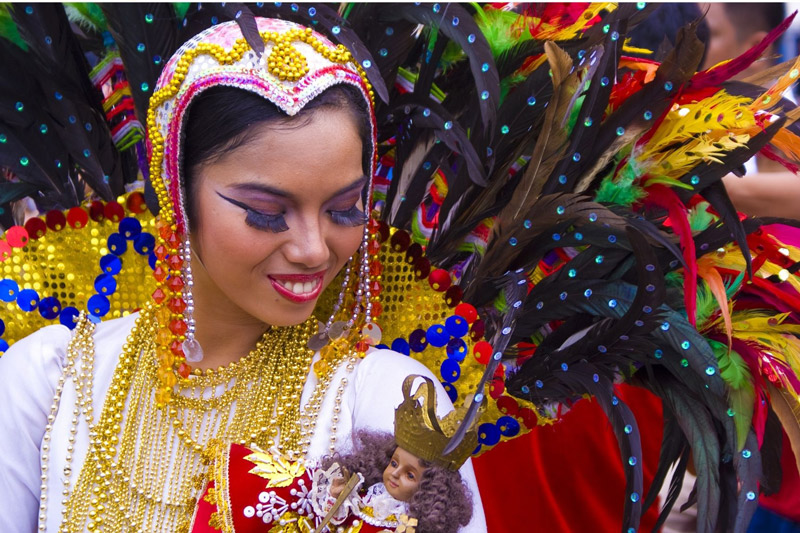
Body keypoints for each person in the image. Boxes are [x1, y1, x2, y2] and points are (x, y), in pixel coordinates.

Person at [0, 17, 485, 533]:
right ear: (178, 197)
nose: (312, 249)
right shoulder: (49, 383)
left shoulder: (389, 404)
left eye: (344, 208)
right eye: (265, 211)